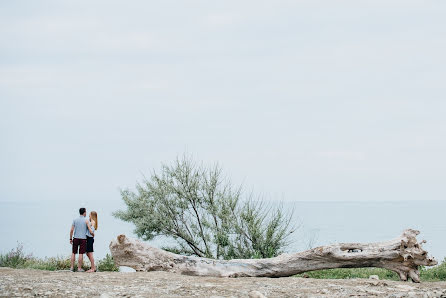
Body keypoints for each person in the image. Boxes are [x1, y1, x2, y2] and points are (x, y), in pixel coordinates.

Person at [69, 207, 94, 272]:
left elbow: (71, 230)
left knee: (73, 253)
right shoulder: (86, 220)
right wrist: (93, 234)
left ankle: (71, 267)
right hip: (83, 239)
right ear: (84, 212)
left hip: (76, 238)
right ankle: (79, 268)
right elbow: (90, 229)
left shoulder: (75, 220)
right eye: (86, 212)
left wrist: (70, 238)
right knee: (81, 253)